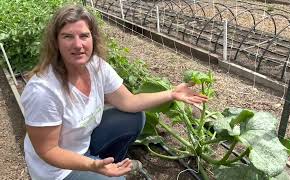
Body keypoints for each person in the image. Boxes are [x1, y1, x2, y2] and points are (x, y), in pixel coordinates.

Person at [21, 4, 208, 180]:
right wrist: (92, 165)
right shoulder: (43, 91)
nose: (78, 45)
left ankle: (110, 165)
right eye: (68, 36)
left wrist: (171, 94)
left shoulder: (96, 67)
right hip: (57, 171)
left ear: (93, 38)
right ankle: (103, 169)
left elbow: (129, 102)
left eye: (84, 36)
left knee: (134, 117)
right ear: (56, 42)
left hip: (82, 147)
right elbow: (48, 151)